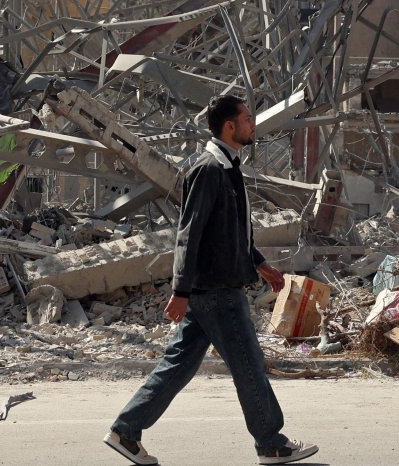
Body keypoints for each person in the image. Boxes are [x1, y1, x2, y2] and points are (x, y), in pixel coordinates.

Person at [104, 95, 319, 465]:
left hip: (216, 289)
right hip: (216, 291)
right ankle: (270, 442)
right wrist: (181, 290)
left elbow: (230, 231)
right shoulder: (208, 170)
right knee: (249, 365)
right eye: (247, 119)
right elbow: (190, 234)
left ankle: (126, 430)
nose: (253, 124)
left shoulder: (228, 167)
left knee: (178, 366)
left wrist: (259, 264)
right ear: (229, 127)